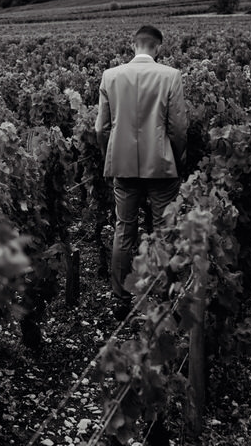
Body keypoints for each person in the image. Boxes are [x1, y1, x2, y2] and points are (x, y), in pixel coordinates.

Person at [95, 24, 187, 319]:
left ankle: (121, 298)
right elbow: (179, 128)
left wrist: (108, 156)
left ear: (132, 45)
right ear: (158, 47)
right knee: (163, 230)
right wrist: (177, 157)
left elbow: (100, 128)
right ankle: (162, 295)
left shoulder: (110, 76)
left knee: (124, 229)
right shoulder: (170, 76)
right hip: (161, 165)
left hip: (122, 165)